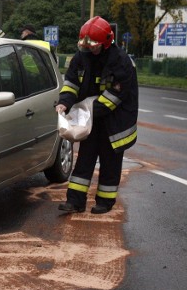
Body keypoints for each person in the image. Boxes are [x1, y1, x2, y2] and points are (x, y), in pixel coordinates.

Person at [56, 16, 138, 214]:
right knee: (84, 159)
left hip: (115, 121)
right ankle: (74, 202)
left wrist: (86, 111)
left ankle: (105, 202)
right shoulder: (80, 57)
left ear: (106, 42)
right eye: (87, 45)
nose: (90, 48)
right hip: (91, 118)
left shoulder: (121, 61)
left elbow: (115, 95)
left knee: (110, 163)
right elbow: (71, 83)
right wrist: (64, 103)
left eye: (94, 45)